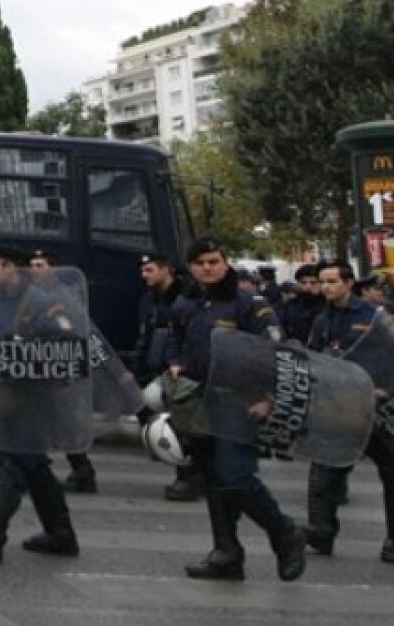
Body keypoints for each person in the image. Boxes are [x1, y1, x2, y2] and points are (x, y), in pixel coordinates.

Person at [165, 236, 305, 582]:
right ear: (191, 268)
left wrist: (267, 399)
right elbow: (177, 344)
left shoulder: (249, 306)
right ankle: (226, 553)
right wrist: (176, 365)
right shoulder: (187, 305)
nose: (208, 268)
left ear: (225, 262)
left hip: (241, 403)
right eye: (200, 263)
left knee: (235, 476)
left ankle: (284, 532)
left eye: (214, 261)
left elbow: (275, 353)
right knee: (214, 479)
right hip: (199, 401)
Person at [0, 244, 84, 564]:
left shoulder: (43, 303)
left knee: (12, 461)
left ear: (13, 268)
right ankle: (61, 534)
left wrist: (34, 363)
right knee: (33, 465)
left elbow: (69, 349)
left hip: (37, 397)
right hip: (8, 395)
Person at [303, 260, 394, 564]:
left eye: (332, 282)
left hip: (373, 408)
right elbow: (314, 357)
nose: (326, 287)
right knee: (323, 473)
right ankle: (320, 532)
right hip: (337, 407)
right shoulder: (322, 320)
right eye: (323, 282)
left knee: (391, 472)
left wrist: (383, 391)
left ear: (348, 283)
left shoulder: (373, 317)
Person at [26, 249, 98, 494]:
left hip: (58, 364)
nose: (35, 269)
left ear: (52, 268)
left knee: (62, 419)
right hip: (39, 362)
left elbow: (68, 329)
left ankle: (82, 471)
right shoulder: (33, 294)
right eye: (32, 265)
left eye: (40, 265)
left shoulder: (62, 296)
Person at [132, 253, 199, 501]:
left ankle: (188, 477)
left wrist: (179, 363)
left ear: (166, 270)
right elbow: (143, 334)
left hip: (176, 369)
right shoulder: (148, 300)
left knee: (181, 423)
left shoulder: (185, 299)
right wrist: (136, 369)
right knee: (144, 407)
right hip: (152, 365)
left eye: (149, 270)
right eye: (143, 270)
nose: (144, 275)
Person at [279, 264, 325, 345]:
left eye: (313, 283)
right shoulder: (290, 305)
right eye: (303, 283)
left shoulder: (328, 305)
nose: (308, 286)